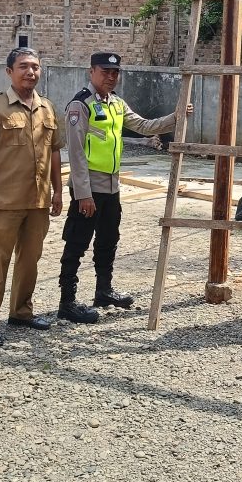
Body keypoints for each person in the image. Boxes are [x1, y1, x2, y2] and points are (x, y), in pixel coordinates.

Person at [57, 52, 192, 323]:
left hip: (111, 187)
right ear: (91, 71)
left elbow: (143, 126)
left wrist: (176, 117)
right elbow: (76, 154)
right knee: (77, 243)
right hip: (89, 188)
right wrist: (83, 194)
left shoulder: (116, 103)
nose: (111, 77)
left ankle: (103, 291)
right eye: (105, 71)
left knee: (108, 240)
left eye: (115, 72)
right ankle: (67, 302)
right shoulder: (80, 105)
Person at [0, 47, 65, 348]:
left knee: (29, 261)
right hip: (2, 203)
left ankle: (21, 312)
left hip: (37, 202)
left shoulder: (48, 108)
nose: (30, 72)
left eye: (35, 66)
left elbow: (55, 152)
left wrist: (58, 191)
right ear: (9, 71)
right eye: (23, 66)